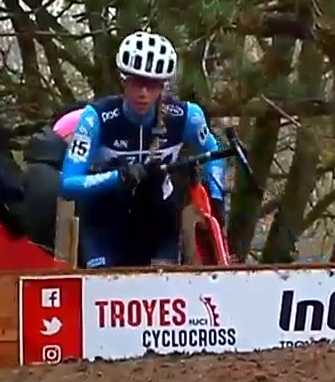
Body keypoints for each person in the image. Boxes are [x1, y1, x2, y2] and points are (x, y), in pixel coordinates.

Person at [59, 31, 227, 268]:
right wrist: (117, 177)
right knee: (107, 296)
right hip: (104, 223)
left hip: (158, 222)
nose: (143, 93)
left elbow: (214, 154)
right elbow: (68, 184)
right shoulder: (96, 118)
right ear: (123, 80)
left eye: (152, 85)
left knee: (160, 295)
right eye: (136, 82)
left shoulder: (187, 116)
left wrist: (217, 199)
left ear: (163, 86)